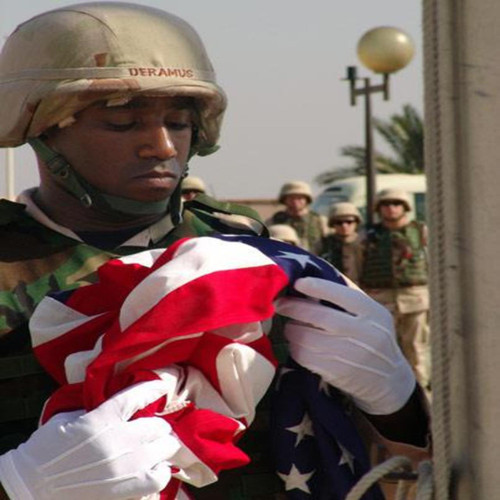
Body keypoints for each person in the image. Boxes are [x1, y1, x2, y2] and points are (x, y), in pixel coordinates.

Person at [0, 4, 429, 499]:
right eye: (122, 123)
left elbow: (404, 465)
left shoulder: (249, 256)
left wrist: (396, 405)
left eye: (179, 123)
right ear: (41, 127)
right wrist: (17, 485)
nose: (161, 146)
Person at [360, 188, 431, 390]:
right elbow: (357, 267)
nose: (391, 209)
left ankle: (420, 393)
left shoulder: (421, 232)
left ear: (405, 207)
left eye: (396, 204)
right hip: (380, 300)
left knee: (416, 349)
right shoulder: (368, 236)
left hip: (415, 299)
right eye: (386, 204)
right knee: (383, 350)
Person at [267, 180, 328, 255]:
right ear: (284, 200)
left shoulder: (320, 221)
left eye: (300, 198)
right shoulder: (273, 220)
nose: (295, 201)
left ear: (307, 200)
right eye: (291, 198)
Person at [322, 201, 364, 284]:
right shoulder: (323, 244)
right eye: (339, 223)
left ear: (356, 223)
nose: (344, 226)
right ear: (332, 224)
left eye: (349, 222)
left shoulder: (366, 242)